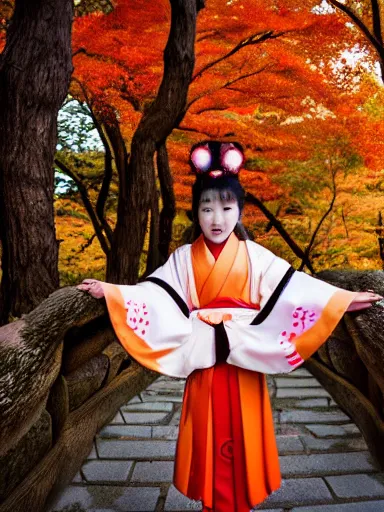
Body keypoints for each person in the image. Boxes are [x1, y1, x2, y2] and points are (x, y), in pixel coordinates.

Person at [77, 141, 382, 512]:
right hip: (204, 361)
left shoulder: (254, 255)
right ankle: (213, 502)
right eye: (207, 208)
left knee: (244, 430)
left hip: (244, 359)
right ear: (197, 213)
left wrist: (342, 299)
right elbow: (154, 294)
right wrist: (109, 291)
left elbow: (293, 287)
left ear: (239, 211)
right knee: (207, 431)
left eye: (226, 207)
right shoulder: (183, 259)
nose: (217, 218)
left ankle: (241, 501)